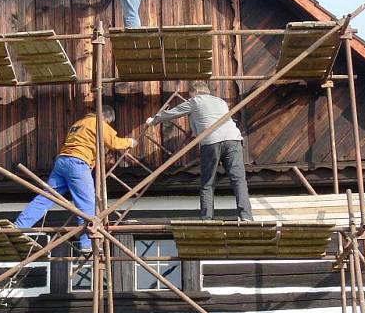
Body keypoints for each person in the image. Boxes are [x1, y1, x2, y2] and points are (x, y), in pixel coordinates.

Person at [15, 106, 137, 253]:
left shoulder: (78, 124)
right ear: (106, 117)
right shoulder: (98, 122)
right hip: (78, 163)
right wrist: (130, 142)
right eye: (108, 122)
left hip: (62, 162)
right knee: (88, 202)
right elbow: (114, 142)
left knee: (46, 197)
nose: (107, 125)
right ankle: (87, 243)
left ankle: (20, 226)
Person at [145, 81, 253, 221]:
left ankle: (207, 218)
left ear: (195, 92)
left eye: (190, 94)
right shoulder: (220, 101)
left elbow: (173, 113)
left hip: (211, 141)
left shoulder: (195, 101)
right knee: (239, 180)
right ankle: (246, 216)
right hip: (233, 139)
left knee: (208, 183)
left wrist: (153, 120)